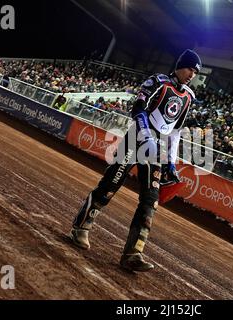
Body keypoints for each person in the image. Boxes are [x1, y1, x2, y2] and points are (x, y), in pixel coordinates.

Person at [70, 49, 202, 272]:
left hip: (157, 149)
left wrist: (171, 162)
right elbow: (138, 109)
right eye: (190, 68)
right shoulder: (158, 82)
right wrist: (146, 135)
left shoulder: (188, 97)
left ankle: (134, 253)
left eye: (196, 72)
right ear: (180, 65)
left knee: (151, 200)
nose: (192, 74)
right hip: (137, 138)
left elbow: (176, 131)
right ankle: (81, 227)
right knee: (111, 184)